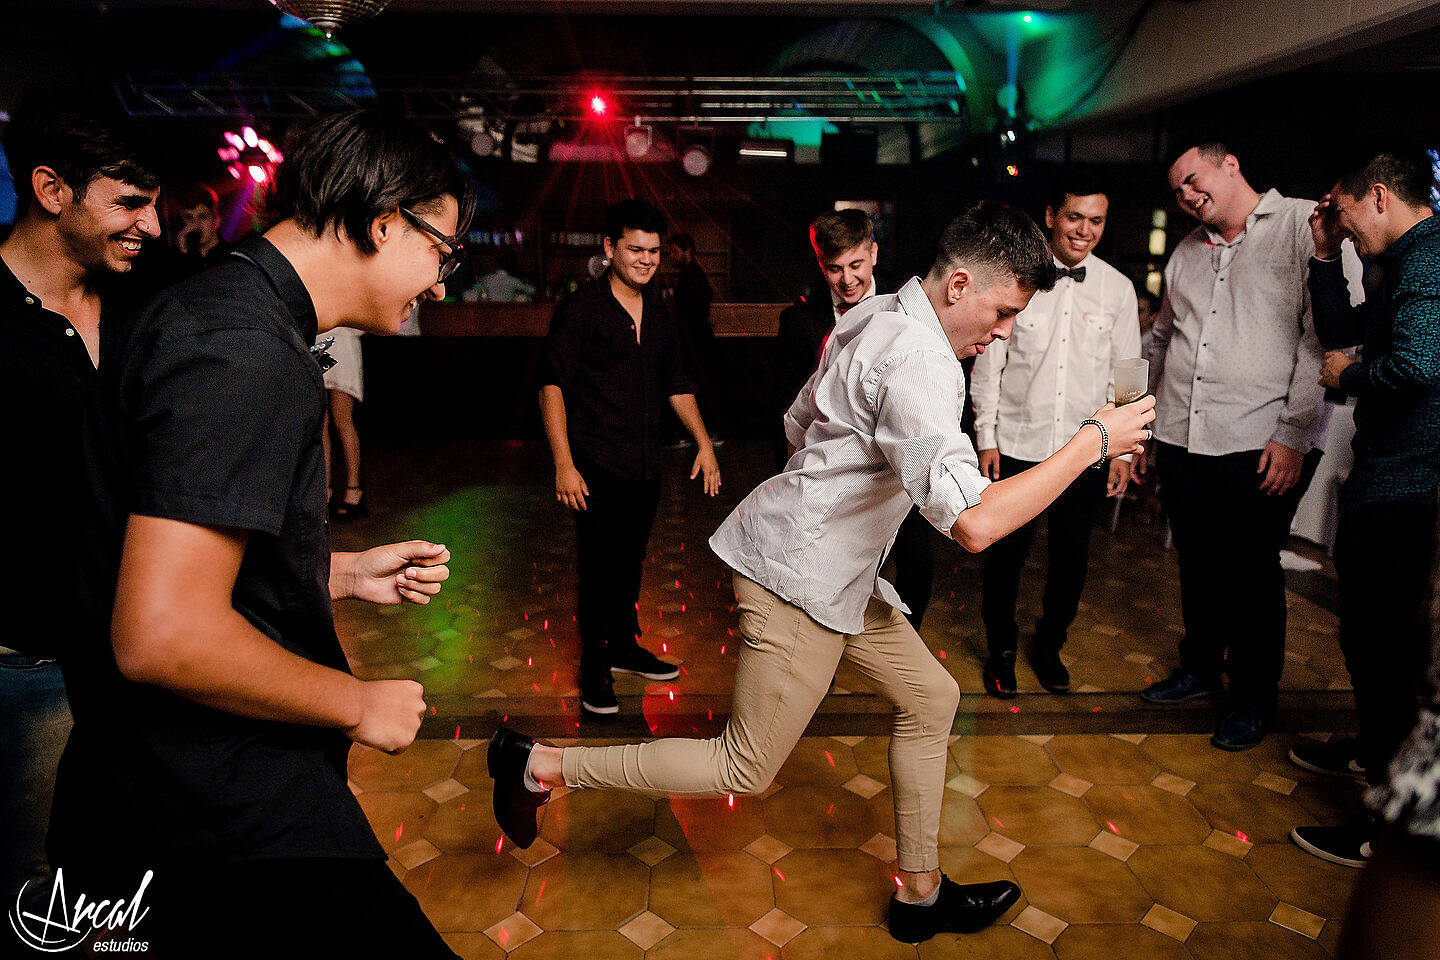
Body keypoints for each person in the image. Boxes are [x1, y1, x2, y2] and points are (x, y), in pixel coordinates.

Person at [493, 200, 1156, 945]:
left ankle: (920, 894)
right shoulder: (918, 361)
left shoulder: (874, 313)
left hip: (837, 573)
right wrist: (1093, 440)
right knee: (741, 767)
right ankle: (540, 764)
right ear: (961, 285)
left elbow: (798, 420)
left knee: (931, 697)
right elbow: (976, 525)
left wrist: (836, 488)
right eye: (1003, 313)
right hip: (798, 581)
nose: (1003, 332)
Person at [52, 108, 470, 957]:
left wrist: (336, 573)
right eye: (441, 250)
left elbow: (166, 556)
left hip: (163, 788)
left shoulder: (225, 310)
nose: (439, 283)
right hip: (212, 802)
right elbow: (163, 634)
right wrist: (357, 705)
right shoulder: (240, 350)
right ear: (383, 222)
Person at [0, 87, 160, 915]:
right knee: (34, 888)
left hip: (141, 656)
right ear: (51, 189)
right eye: (130, 202)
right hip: (29, 671)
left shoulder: (142, 309)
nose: (153, 226)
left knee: (122, 886)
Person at [1136, 138, 1327, 751]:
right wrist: (1139, 421)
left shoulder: (1302, 225)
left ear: (1231, 165)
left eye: (1193, 180)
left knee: (1250, 572)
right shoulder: (1187, 254)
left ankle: (1251, 698)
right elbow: (1163, 339)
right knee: (1197, 561)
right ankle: (1197, 666)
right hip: (1182, 432)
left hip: (1258, 438)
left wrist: (1294, 433)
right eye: (1178, 191)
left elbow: (1319, 341)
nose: (1187, 197)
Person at [1288, 147, 1439, 867]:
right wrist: (1323, 257)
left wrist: (1352, 375)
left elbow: (1415, 364)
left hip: (1411, 484)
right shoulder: (1402, 260)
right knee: (1375, 643)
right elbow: (1342, 329)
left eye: (1345, 221)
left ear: (1378, 196)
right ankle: (1372, 751)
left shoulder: (1428, 257)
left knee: (1382, 648)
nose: (1345, 234)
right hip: (1389, 475)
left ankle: (1386, 821)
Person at [539, 199, 721, 717]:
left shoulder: (661, 316)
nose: (645, 259)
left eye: (654, 251)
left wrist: (704, 443)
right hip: (594, 464)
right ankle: (594, 663)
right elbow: (551, 386)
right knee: (598, 567)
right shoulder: (582, 309)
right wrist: (563, 462)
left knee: (630, 561)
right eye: (635, 249)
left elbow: (677, 383)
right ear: (609, 248)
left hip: (645, 465)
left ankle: (622, 645)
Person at [971, 168, 1141, 697]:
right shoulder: (1016, 278)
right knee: (1006, 555)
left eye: (1096, 220)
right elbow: (988, 362)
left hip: (1087, 448)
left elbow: (1129, 371)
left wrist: (1125, 451)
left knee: (1071, 560)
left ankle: (1050, 646)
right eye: (1074, 217)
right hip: (1018, 444)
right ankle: (1001, 648)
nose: (1085, 230)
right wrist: (986, 436)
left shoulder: (1117, 289)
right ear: (1051, 216)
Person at [775, 209, 935, 627]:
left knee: (916, 560)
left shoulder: (912, 311)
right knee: (825, 570)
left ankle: (904, 653)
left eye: (856, 265)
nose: (847, 279)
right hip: (835, 470)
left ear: (874, 254)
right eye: (835, 269)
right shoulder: (798, 321)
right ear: (821, 265)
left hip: (901, 464)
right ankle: (825, 652)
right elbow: (790, 408)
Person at [667, 232, 722, 442]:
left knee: (697, 388)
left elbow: (692, 313)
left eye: (674, 251)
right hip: (697, 342)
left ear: (686, 252)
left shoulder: (691, 276)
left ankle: (702, 434)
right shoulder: (693, 275)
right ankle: (705, 433)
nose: (671, 256)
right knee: (699, 387)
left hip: (695, 343)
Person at [319, 325, 367, 519]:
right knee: (320, 423)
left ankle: (354, 489)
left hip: (344, 341)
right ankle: (324, 492)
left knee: (343, 420)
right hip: (317, 342)